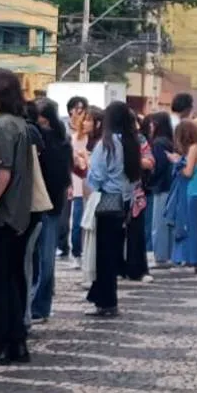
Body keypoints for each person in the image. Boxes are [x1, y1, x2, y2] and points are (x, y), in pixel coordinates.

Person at [0, 70, 33, 364]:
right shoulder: (21, 125)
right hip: (19, 215)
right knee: (13, 280)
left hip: (1, 215)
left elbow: (3, 171)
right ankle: (16, 341)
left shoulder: (1, 127)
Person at [84, 101, 141, 317]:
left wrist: (93, 190)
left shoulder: (106, 144)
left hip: (107, 199)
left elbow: (96, 176)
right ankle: (104, 297)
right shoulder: (131, 143)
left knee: (103, 253)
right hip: (124, 200)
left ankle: (106, 301)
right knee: (114, 250)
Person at [31, 98, 71, 323]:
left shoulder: (50, 140)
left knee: (42, 258)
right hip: (50, 203)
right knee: (43, 258)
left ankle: (39, 305)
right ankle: (39, 304)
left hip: (45, 203)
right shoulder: (60, 140)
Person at [170, 120, 197, 271]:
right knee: (192, 225)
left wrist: (177, 163)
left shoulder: (193, 149)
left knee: (190, 226)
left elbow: (188, 172)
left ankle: (191, 260)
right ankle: (192, 258)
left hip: (191, 191)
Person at [123, 111, 156, 284]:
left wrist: (132, 160)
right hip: (114, 194)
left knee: (136, 233)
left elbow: (150, 162)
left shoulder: (140, 140)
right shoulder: (108, 141)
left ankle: (138, 269)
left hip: (136, 193)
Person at [68, 104, 98, 269]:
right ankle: (76, 253)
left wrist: (84, 158)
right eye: (85, 120)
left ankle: (87, 252)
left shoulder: (95, 142)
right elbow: (70, 162)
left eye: (91, 120)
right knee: (78, 220)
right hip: (78, 184)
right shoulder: (74, 139)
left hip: (92, 186)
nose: (87, 123)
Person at [145, 112, 176, 267]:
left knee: (159, 223)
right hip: (170, 186)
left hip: (161, 186)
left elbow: (159, 166)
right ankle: (168, 253)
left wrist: (149, 178)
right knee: (168, 222)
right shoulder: (170, 141)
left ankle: (161, 255)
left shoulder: (158, 143)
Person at [58, 96, 87, 258]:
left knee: (78, 218)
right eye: (77, 108)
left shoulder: (86, 133)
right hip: (68, 177)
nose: (80, 112)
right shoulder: (64, 128)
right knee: (63, 217)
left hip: (82, 179)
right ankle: (63, 246)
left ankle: (77, 248)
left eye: (82, 109)